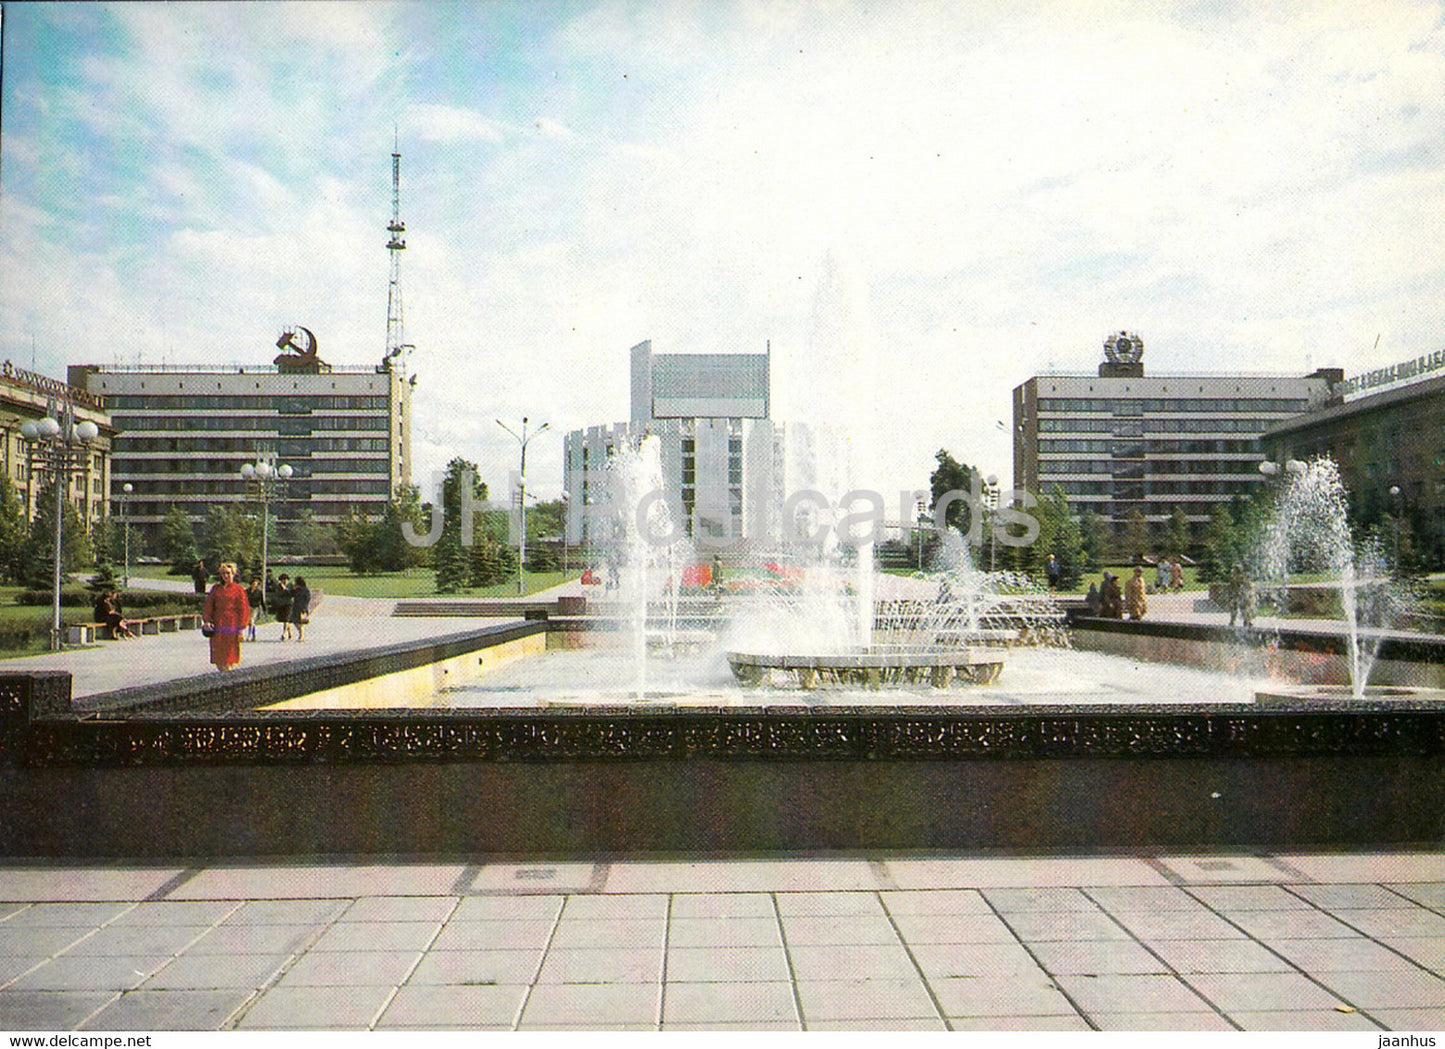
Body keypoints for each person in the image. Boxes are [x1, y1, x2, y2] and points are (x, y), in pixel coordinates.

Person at [202, 561, 250, 672]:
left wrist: (241, 629)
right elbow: (209, 605)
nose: (226, 576)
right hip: (218, 626)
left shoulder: (239, 590)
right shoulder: (216, 589)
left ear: (233, 574)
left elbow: (243, 610)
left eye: (228, 573)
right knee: (219, 658)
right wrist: (207, 620)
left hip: (232, 626)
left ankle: (228, 681)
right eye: (223, 573)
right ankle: (223, 677)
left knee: (229, 659)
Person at [1228, 564, 1256, 628]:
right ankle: (1233, 620)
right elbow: (1232, 589)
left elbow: (1251, 587)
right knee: (1234, 607)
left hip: (1245, 595)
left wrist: (1250, 595)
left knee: (1246, 607)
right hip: (1236, 595)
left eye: (1234, 570)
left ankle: (1247, 621)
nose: (1232, 571)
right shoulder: (1233, 579)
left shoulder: (1244, 578)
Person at [288, 575, 312, 642]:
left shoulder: (305, 589)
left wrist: (304, 608)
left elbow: (308, 598)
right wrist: (292, 589)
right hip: (295, 607)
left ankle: (302, 636)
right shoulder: (296, 589)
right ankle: (301, 635)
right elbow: (290, 594)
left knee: (300, 622)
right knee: (295, 622)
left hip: (302, 608)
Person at [273, 574, 293, 640]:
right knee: (285, 619)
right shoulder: (278, 586)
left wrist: (285, 589)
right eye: (282, 580)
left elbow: (291, 594)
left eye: (285, 579)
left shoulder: (290, 585)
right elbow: (277, 594)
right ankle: (290, 633)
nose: (284, 581)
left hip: (288, 604)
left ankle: (284, 634)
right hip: (282, 604)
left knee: (286, 619)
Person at [246, 578, 264, 642]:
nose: (254, 585)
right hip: (248, 607)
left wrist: (264, 609)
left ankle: (249, 635)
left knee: (251, 621)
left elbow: (262, 601)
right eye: (253, 583)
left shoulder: (259, 592)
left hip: (255, 608)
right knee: (251, 622)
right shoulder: (247, 591)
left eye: (256, 583)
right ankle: (253, 635)